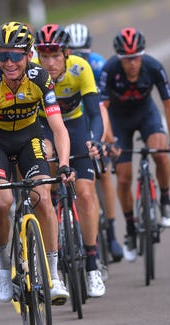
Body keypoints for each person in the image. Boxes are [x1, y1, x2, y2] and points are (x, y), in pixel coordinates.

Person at [0, 21, 74, 305]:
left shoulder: (41, 78)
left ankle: (54, 276)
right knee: (2, 202)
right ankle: (4, 268)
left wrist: (64, 164)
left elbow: (58, 128)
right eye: (3, 55)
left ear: (28, 55)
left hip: (30, 138)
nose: (9, 63)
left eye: (16, 55)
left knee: (43, 197)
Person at [99, 27, 170, 262]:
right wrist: (108, 140)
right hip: (118, 120)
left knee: (159, 151)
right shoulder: (109, 70)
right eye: (127, 59)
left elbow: (169, 105)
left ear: (142, 55)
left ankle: (165, 200)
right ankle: (130, 229)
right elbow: (101, 109)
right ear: (120, 58)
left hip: (146, 114)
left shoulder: (154, 67)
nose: (132, 63)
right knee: (124, 176)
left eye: (136, 57)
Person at [34, 24, 106, 297]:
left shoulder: (80, 68)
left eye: (55, 56)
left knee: (86, 194)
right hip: (44, 127)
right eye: (44, 56)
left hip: (75, 127)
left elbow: (95, 113)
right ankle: (52, 212)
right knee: (47, 155)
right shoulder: (34, 73)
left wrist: (95, 139)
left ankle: (91, 263)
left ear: (66, 54)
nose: (49, 63)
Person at [65, 23, 123, 262]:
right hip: (70, 117)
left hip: (92, 115)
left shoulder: (97, 65)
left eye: (84, 53)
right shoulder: (60, 66)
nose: (80, 57)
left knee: (104, 173)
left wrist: (107, 139)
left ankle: (111, 232)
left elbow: (102, 107)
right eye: (75, 52)